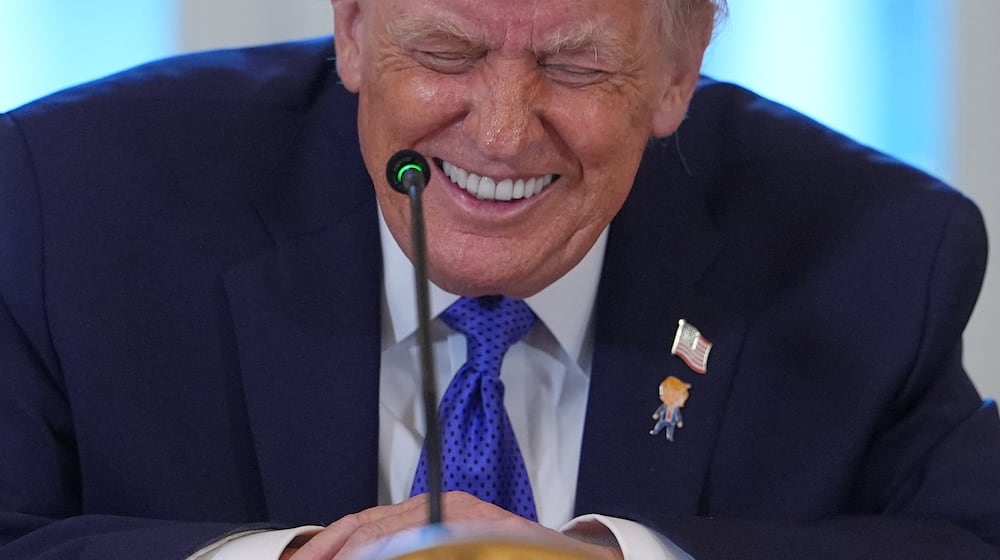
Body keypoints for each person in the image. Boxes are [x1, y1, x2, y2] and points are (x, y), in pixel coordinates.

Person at [1, 0, 998, 558]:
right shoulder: (67, 208)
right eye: (447, 52)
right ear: (351, 28)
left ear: (680, 65)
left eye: (573, 68)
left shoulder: (874, 255)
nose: (501, 132)